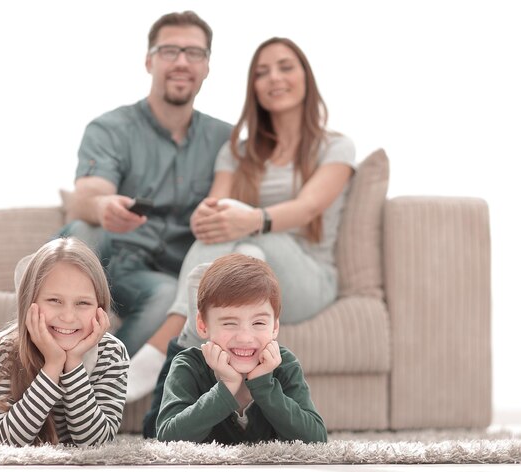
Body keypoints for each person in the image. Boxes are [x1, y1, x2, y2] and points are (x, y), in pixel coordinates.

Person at [135, 36, 357, 413]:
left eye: (285, 66)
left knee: (243, 232)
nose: (274, 78)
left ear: (306, 76)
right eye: (262, 72)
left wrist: (249, 218)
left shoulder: (335, 146)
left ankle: (166, 343)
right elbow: (216, 206)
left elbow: (307, 207)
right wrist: (206, 215)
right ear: (253, 87)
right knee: (247, 251)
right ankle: (191, 378)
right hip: (253, 277)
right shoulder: (237, 152)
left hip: (308, 277)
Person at [57, 11, 232, 379]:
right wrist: (103, 206)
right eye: (169, 51)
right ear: (149, 60)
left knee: (169, 295)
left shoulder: (226, 140)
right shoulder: (111, 128)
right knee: (80, 233)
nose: (182, 61)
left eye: (194, 53)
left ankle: (79, 389)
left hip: (164, 276)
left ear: (207, 66)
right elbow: (87, 195)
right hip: (113, 260)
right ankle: (28, 362)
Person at [0, 237, 129, 446]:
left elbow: (96, 445)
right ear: (30, 300)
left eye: (83, 303)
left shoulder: (112, 353)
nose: (68, 317)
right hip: (11, 442)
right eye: (55, 300)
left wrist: (73, 363)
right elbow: (6, 445)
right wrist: (53, 365)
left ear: (100, 309)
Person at [156, 253, 327, 444]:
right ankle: (188, 329)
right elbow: (168, 439)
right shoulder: (187, 365)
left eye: (259, 323)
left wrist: (263, 385)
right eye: (229, 323)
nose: (245, 338)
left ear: (275, 328)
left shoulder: (284, 364)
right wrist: (226, 387)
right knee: (150, 426)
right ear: (203, 326)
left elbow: (317, 440)